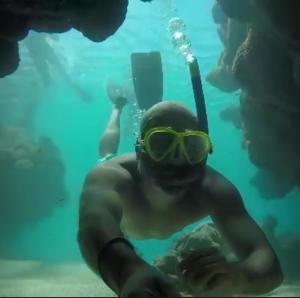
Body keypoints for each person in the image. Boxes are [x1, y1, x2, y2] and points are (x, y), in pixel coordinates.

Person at [78, 101, 283, 297]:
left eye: (192, 146)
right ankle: (117, 109)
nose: (177, 160)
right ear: (140, 150)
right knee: (106, 153)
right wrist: (128, 273)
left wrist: (238, 277)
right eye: (161, 143)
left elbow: (268, 264)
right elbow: (92, 229)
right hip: (112, 161)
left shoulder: (213, 190)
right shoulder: (109, 177)